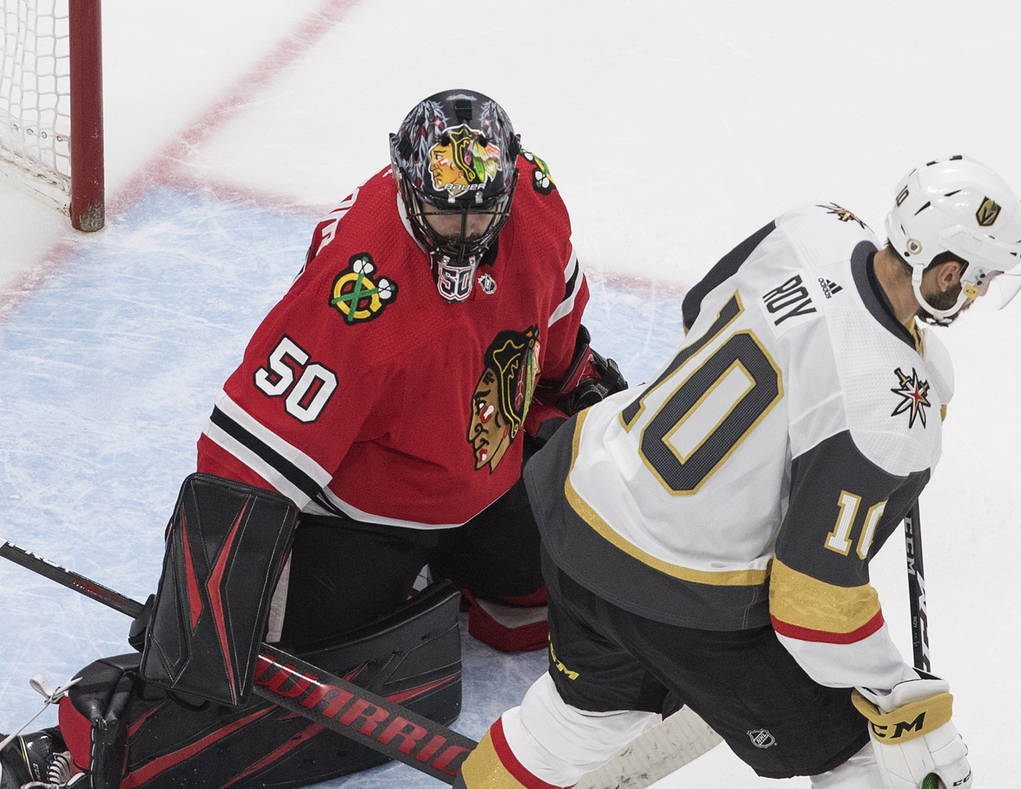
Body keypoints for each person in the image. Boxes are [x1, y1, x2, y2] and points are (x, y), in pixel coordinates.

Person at [0, 88, 624, 789]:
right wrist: (204, 609)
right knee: (238, 687)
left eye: (480, 210)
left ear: (511, 180)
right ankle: (87, 744)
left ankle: (459, 574)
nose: (463, 232)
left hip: (488, 475)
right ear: (403, 181)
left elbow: (558, 329)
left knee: (583, 573)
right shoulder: (358, 288)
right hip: (365, 517)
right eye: (444, 211)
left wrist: (580, 387)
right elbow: (244, 457)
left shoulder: (536, 204)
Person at [455, 156, 1021, 788]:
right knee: (860, 753)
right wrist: (898, 695)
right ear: (947, 270)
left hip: (584, 501)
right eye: (979, 279)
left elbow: (700, 307)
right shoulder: (893, 411)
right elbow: (813, 602)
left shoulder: (815, 227)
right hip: (679, 587)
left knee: (580, 720)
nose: (976, 295)